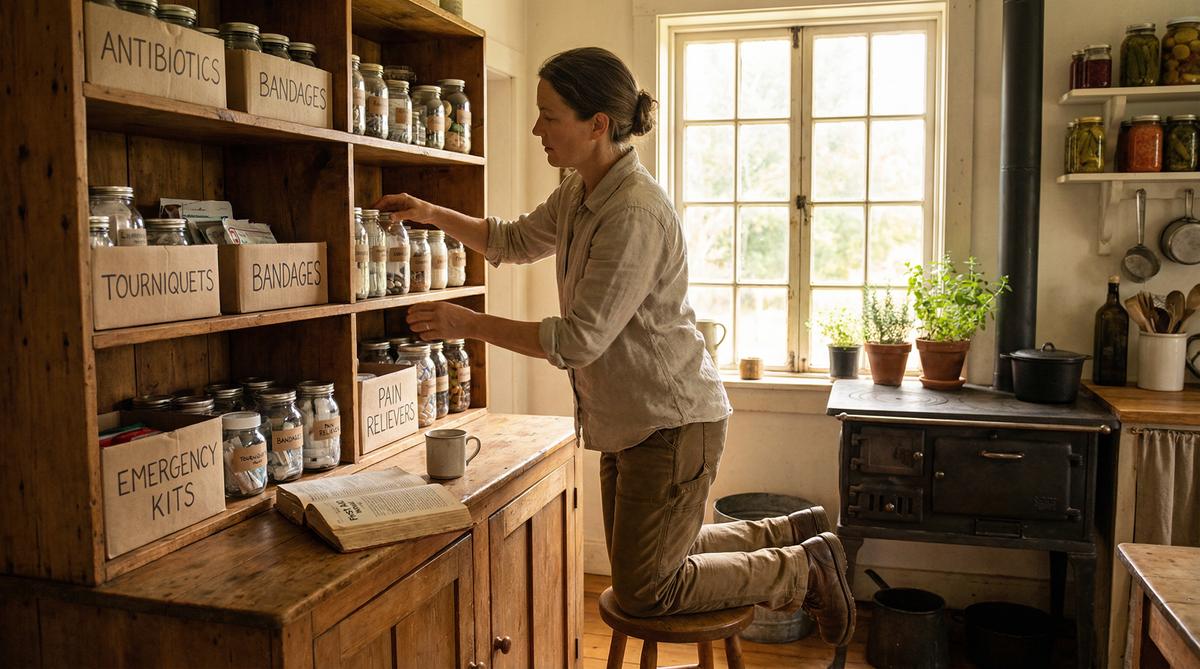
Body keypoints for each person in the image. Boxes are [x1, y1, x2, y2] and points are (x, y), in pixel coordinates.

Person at [374, 46, 855, 645]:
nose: (537, 129)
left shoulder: (633, 212)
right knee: (647, 563)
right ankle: (790, 533)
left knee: (647, 588)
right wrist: (428, 212)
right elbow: (513, 240)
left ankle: (803, 569)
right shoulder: (581, 191)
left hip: (670, 423)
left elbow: (578, 340)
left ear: (597, 124)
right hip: (629, 420)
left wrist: (467, 323)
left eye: (550, 116)